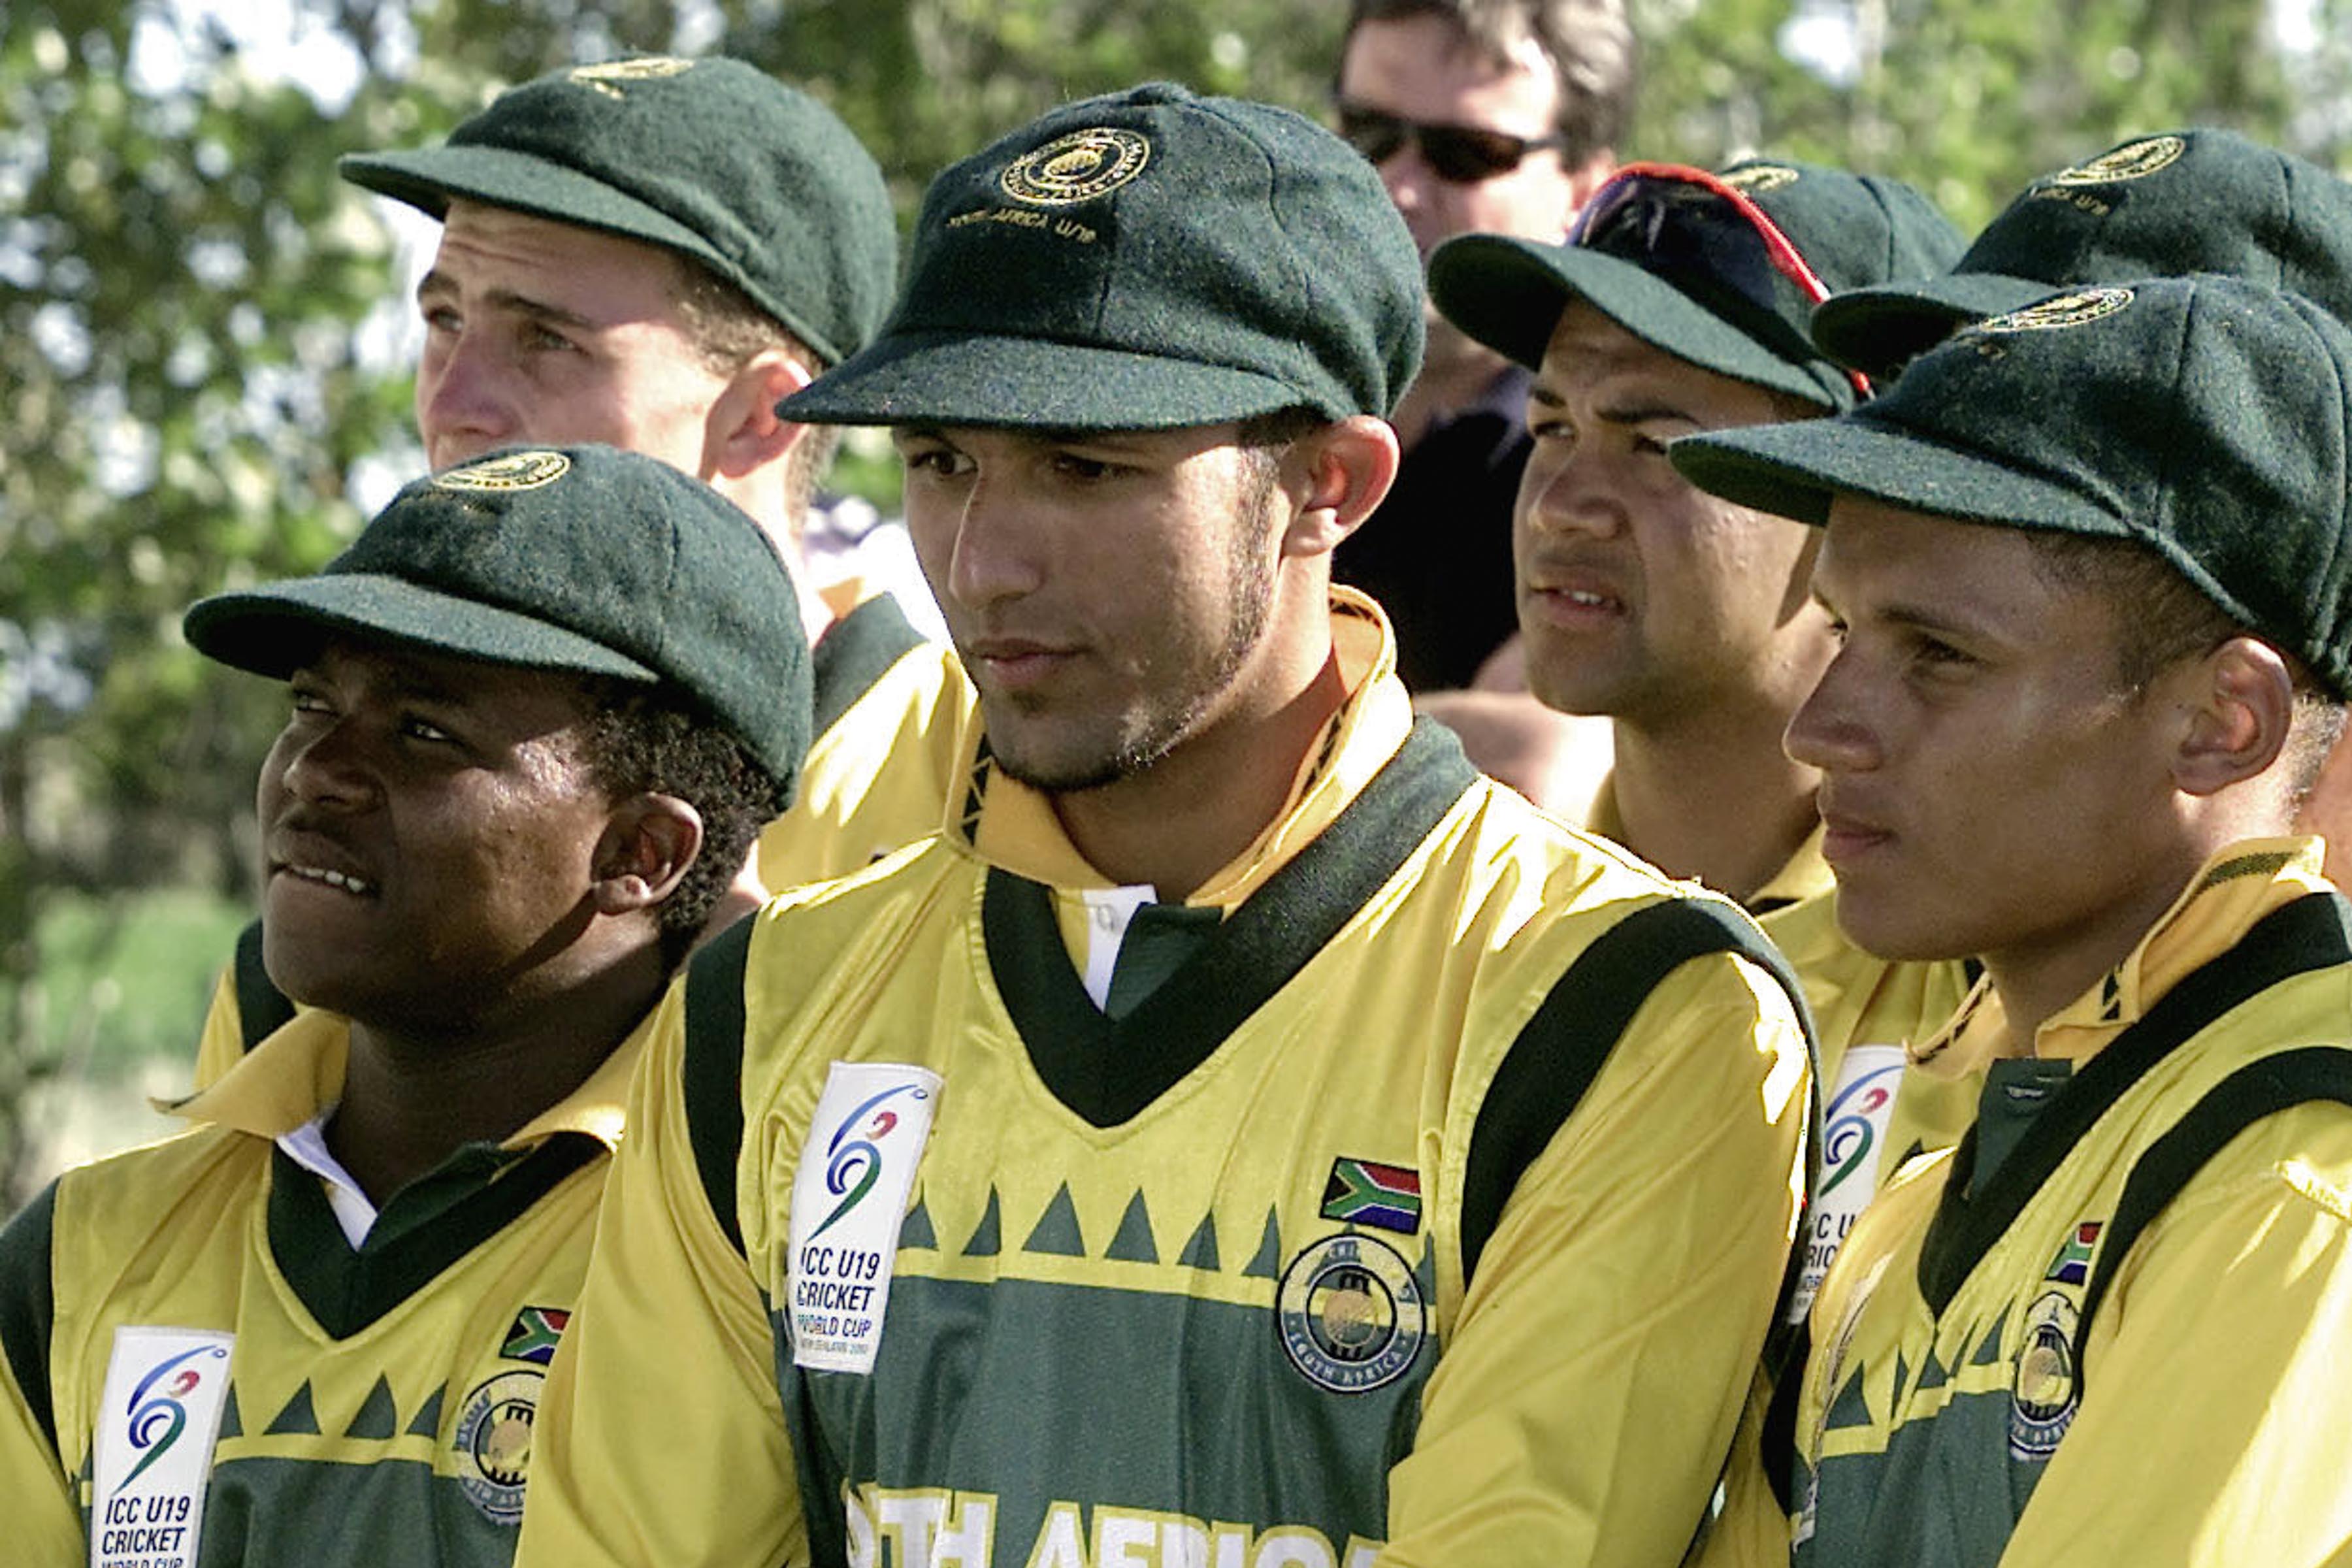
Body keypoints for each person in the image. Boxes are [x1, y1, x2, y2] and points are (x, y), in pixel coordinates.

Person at [517, 83, 1812, 1568]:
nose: (986, 560)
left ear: (1328, 480)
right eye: (940, 459)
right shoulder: (759, 1015)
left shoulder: (1619, 1011)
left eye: (1085, 464)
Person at [0, 444, 809, 1565]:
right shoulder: (87, 1257)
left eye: (422, 733)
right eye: (311, 704)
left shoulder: (752, 1252)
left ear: (643, 851)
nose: (313, 772)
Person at [1672, 273, 2352, 1565]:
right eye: (1842, 633)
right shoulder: (1924, 1204)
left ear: (2224, 722)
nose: (1820, 731)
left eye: (1938, 654)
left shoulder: (2302, 1167)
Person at [193, 56, 972, 1077]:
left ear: (757, 417)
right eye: (443, 320)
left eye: (546, 340)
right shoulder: (338, 887)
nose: (452, 399)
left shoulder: (984, 793)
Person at [1428, 159, 1976, 1307]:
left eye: (1656, 442)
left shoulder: (1987, 978)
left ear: (1862, 493)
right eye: (1552, 425)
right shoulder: (1463, 927)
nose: (1562, 503)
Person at [1330, 0, 1631, 693]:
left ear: (1585, 193)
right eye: (1369, 132)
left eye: (1466, 154)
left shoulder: (1607, 479)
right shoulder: (1229, 402)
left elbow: (1533, 762)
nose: (1397, 187)